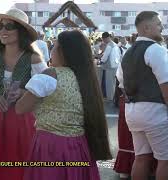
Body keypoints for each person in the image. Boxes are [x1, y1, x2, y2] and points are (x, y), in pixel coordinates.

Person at [15, 30, 112, 180]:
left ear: (63, 51)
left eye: (54, 46)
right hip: (79, 146)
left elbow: (20, 108)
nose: (51, 51)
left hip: (51, 146)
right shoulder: (85, 78)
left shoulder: (49, 74)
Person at [0, 8, 48, 180]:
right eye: (0, 27)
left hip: (24, 121)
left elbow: (48, 89)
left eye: (9, 26)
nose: (3, 30)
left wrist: (25, 92)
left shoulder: (34, 58)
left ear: (21, 31)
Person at [118, 11, 168, 180]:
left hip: (132, 112)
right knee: (165, 160)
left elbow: (122, 84)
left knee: (141, 158)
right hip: (155, 112)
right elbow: (166, 86)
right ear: (147, 27)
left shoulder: (127, 53)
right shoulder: (156, 50)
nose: (162, 27)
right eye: (159, 23)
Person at [98, 32, 121, 101]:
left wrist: (100, 61)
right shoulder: (115, 44)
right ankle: (112, 97)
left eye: (103, 39)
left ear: (106, 38)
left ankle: (109, 98)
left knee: (109, 84)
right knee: (113, 83)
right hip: (115, 66)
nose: (103, 41)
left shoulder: (109, 46)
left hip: (109, 67)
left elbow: (105, 57)